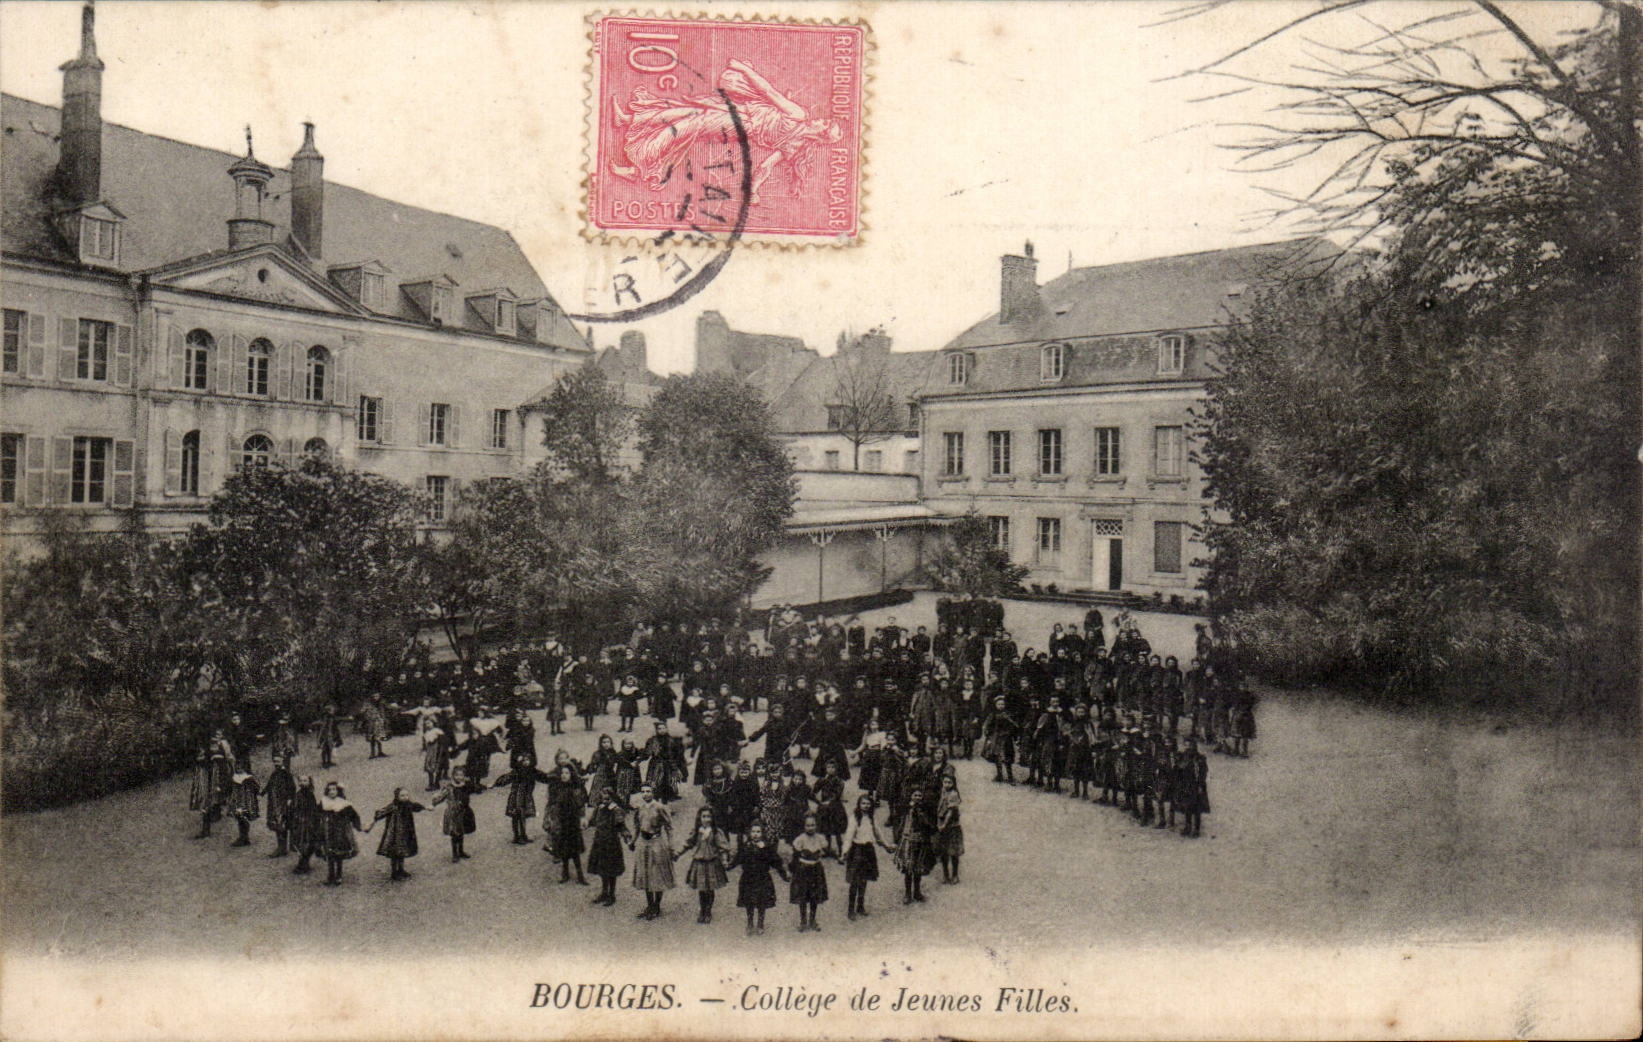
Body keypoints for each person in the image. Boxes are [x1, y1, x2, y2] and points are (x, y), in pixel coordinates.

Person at [674, 806, 733, 924]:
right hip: (699, 863)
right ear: (699, 818)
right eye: (704, 817)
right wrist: (678, 853)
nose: (706, 819)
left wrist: (725, 860)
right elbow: (688, 843)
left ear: (712, 818)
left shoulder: (716, 832)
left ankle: (708, 911)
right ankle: (702, 910)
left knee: (710, 889)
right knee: (701, 888)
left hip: (712, 863)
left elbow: (723, 848)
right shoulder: (697, 831)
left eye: (709, 817)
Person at [842, 794, 894, 921]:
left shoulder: (871, 818)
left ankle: (860, 906)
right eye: (863, 803)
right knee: (855, 881)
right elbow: (849, 836)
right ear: (859, 805)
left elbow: (878, 833)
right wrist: (844, 852)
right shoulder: (854, 818)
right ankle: (850, 909)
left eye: (868, 804)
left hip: (868, 851)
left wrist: (886, 845)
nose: (865, 806)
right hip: (857, 851)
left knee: (864, 880)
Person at [731, 822, 788, 935]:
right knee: (749, 902)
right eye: (753, 832)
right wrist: (729, 866)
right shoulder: (746, 846)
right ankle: (750, 923)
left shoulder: (767, 848)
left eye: (758, 832)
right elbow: (738, 859)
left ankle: (760, 923)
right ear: (749, 833)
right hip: (748, 878)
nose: (755, 834)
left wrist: (783, 874)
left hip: (762, 878)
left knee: (762, 902)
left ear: (762, 833)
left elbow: (776, 862)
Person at [629, 784, 675, 920]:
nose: (645, 794)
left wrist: (671, 846)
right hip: (644, 843)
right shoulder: (640, 808)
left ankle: (656, 906)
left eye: (648, 791)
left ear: (653, 793)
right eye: (643, 791)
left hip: (657, 843)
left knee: (657, 875)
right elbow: (637, 827)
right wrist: (632, 841)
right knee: (645, 874)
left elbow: (669, 827)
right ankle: (649, 905)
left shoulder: (660, 808)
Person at [493, 752, 552, 845]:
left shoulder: (532, 771)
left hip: (526, 797)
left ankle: (522, 835)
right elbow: (507, 778)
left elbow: (543, 777)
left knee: (522, 816)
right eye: (524, 760)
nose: (526, 762)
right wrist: (497, 783)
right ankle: (517, 836)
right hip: (517, 797)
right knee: (517, 816)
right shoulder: (517, 771)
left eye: (528, 760)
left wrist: (552, 779)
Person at [545, 763, 589, 884]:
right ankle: (565, 873)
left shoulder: (576, 788)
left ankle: (580, 875)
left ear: (571, 774)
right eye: (562, 773)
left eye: (567, 773)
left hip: (573, 822)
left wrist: (582, 817)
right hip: (562, 821)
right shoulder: (557, 788)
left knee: (575, 850)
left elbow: (581, 805)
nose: (564, 775)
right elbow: (552, 805)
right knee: (563, 849)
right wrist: (552, 819)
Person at [587, 790, 631, 907]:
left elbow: (622, 826)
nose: (605, 801)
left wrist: (627, 837)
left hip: (612, 844)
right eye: (603, 799)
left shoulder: (616, 811)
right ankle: (604, 892)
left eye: (608, 799)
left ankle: (612, 894)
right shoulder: (599, 809)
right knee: (602, 869)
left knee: (611, 870)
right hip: (600, 843)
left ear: (613, 799)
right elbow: (592, 822)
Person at [372, 788, 426, 880]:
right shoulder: (393, 806)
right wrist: (376, 817)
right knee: (395, 853)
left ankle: (401, 869)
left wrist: (424, 807)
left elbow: (416, 807)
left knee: (403, 851)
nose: (405, 797)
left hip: (406, 833)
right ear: (397, 796)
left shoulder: (408, 805)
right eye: (402, 795)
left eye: (406, 795)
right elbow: (382, 812)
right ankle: (394, 872)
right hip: (395, 834)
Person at [317, 781, 365, 886]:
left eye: (334, 789)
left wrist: (358, 826)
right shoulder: (324, 802)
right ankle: (330, 876)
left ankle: (338, 875)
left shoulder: (343, 804)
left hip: (340, 832)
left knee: (339, 854)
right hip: (328, 831)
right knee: (329, 854)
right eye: (329, 790)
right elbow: (317, 814)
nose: (332, 792)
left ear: (338, 791)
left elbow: (354, 816)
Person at [788, 813, 830, 932]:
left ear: (816, 825)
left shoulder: (820, 838)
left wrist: (821, 853)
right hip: (803, 870)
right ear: (803, 826)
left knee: (814, 896)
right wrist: (791, 870)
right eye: (807, 825)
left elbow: (825, 850)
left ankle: (812, 920)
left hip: (816, 870)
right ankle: (803, 921)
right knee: (802, 896)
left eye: (812, 825)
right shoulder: (800, 839)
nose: (810, 828)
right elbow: (795, 856)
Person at [189, 730, 234, 839]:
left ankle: (207, 828)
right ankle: (206, 828)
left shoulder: (219, 750)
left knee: (209, 801)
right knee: (206, 802)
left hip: (212, 778)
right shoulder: (207, 749)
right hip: (205, 777)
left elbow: (224, 764)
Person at [895, 784, 936, 904]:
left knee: (918, 868)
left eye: (919, 795)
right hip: (908, 840)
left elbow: (930, 825)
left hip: (920, 840)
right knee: (908, 868)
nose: (917, 798)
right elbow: (899, 823)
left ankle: (917, 892)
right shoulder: (905, 809)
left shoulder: (925, 809)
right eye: (915, 795)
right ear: (911, 796)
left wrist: (921, 814)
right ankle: (907, 893)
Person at [432, 766, 480, 863]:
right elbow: (442, 796)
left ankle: (461, 851)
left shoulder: (466, 785)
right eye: (457, 775)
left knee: (461, 831)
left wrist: (484, 787)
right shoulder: (449, 787)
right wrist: (434, 802)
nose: (459, 777)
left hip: (464, 811)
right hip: (453, 813)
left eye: (461, 775)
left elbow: (475, 788)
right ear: (453, 776)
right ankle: (455, 854)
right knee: (454, 833)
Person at [812, 759, 848, 857]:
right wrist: (820, 781)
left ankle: (841, 851)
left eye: (833, 768)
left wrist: (830, 801)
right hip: (824, 808)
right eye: (828, 767)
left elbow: (837, 794)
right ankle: (828, 849)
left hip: (835, 808)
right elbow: (814, 790)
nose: (830, 770)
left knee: (837, 831)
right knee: (826, 829)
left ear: (836, 769)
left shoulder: (839, 781)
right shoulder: (823, 780)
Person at [263, 753, 296, 858]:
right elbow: (269, 784)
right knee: (276, 824)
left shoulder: (286, 774)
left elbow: (292, 787)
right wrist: (262, 792)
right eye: (275, 761)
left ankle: (282, 848)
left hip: (283, 803)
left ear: (283, 761)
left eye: (278, 761)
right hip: (274, 802)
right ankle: (281, 847)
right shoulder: (274, 774)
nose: (276, 764)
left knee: (282, 823)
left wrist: (290, 799)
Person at [1177, 737, 1210, 838]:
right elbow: (1179, 769)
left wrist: (1200, 785)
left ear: (1194, 746)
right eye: (1186, 745)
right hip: (1185, 785)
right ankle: (1187, 826)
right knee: (1187, 807)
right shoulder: (1182, 757)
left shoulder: (1199, 758)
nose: (1188, 747)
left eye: (1190, 745)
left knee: (1197, 808)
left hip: (1196, 785)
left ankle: (1196, 829)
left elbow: (1203, 772)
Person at [935, 773, 964, 885]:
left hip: (951, 826)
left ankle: (955, 875)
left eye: (949, 782)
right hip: (941, 825)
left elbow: (950, 812)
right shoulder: (942, 792)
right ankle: (946, 874)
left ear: (953, 784)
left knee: (953, 852)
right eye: (945, 782)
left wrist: (944, 825)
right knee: (944, 852)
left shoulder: (953, 794)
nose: (946, 784)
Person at [288, 774, 321, 875]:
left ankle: (303, 863)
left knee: (306, 842)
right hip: (299, 821)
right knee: (300, 841)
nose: (302, 783)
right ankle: (303, 862)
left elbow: (313, 809)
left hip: (307, 822)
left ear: (309, 782)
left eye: (305, 781)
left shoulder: (310, 795)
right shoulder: (298, 794)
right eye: (300, 781)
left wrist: (313, 821)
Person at [227, 758, 261, 848]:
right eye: (237, 768)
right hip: (236, 801)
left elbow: (257, 788)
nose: (238, 770)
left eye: (240, 768)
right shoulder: (234, 778)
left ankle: (244, 837)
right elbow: (229, 788)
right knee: (239, 817)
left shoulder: (249, 778)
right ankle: (243, 837)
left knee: (244, 817)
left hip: (246, 801)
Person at [314, 703, 344, 770]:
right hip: (325, 735)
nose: (333, 711)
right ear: (328, 711)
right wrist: (320, 737)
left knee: (329, 748)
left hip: (329, 735)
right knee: (324, 749)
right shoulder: (326, 718)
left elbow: (337, 721)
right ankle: (324, 762)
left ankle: (329, 761)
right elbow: (323, 728)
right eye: (332, 710)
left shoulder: (331, 717)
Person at [361, 694, 390, 759]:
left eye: (378, 696)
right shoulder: (368, 704)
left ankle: (380, 751)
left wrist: (384, 719)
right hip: (371, 723)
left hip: (379, 722)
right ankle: (372, 753)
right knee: (372, 737)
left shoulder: (381, 704)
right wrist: (367, 717)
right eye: (375, 696)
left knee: (380, 736)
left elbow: (385, 711)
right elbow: (362, 711)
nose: (376, 698)